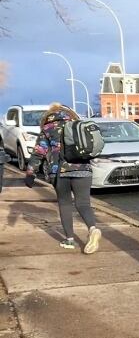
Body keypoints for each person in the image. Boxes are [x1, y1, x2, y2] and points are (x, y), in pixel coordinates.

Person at [25, 103, 101, 253]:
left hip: (60, 172)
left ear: (49, 115)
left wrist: (30, 172)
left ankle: (70, 240)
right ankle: (93, 229)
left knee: (65, 204)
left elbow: (39, 152)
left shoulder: (48, 128)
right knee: (83, 203)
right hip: (83, 168)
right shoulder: (76, 124)